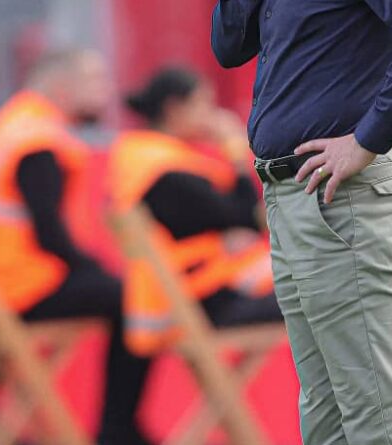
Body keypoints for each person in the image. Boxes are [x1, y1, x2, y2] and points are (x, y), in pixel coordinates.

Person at [212, 1, 392, 443]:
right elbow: (229, 46)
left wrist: (368, 139)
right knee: (328, 421)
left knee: (379, 422)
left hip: (343, 195)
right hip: (296, 196)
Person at [0, 49, 152, 445]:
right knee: (134, 296)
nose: (106, 90)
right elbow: (50, 233)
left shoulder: (12, 126)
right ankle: (118, 428)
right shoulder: (38, 139)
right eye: (95, 80)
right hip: (10, 287)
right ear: (61, 87)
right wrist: (95, 269)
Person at [108, 67, 282, 355]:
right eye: (203, 104)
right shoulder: (165, 170)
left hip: (202, 296)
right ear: (174, 109)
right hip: (212, 301)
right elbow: (248, 215)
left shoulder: (145, 159)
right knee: (321, 295)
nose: (212, 115)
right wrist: (234, 147)